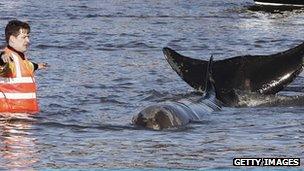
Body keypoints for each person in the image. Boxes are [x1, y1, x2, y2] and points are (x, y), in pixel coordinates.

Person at [0, 20, 47, 114]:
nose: (28, 41)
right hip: (11, 120)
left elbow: (30, 66)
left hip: (25, 118)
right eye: (24, 37)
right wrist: (2, 59)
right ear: (12, 39)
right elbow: (4, 66)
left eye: (28, 37)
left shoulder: (23, 60)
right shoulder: (9, 58)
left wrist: (39, 66)